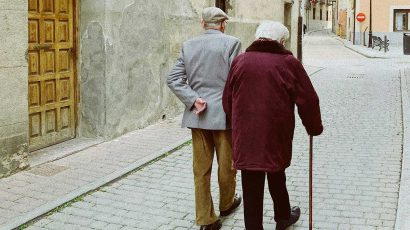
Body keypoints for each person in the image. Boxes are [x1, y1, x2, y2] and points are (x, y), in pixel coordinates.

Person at [222, 21, 323, 230]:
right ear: (282, 41)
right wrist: (314, 127)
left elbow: (227, 100)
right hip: (276, 134)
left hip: (247, 136)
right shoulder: (288, 63)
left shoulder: (240, 61)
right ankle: (283, 216)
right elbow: (309, 100)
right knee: (277, 173)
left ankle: (262, 224)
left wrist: (238, 123)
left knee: (251, 183)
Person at [167, 7, 242, 230]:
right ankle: (227, 204)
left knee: (200, 169)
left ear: (202, 23)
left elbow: (173, 78)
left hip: (198, 115)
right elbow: (237, 81)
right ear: (223, 24)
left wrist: (193, 99)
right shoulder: (232, 43)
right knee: (227, 165)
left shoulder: (188, 45)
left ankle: (206, 220)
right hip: (225, 116)